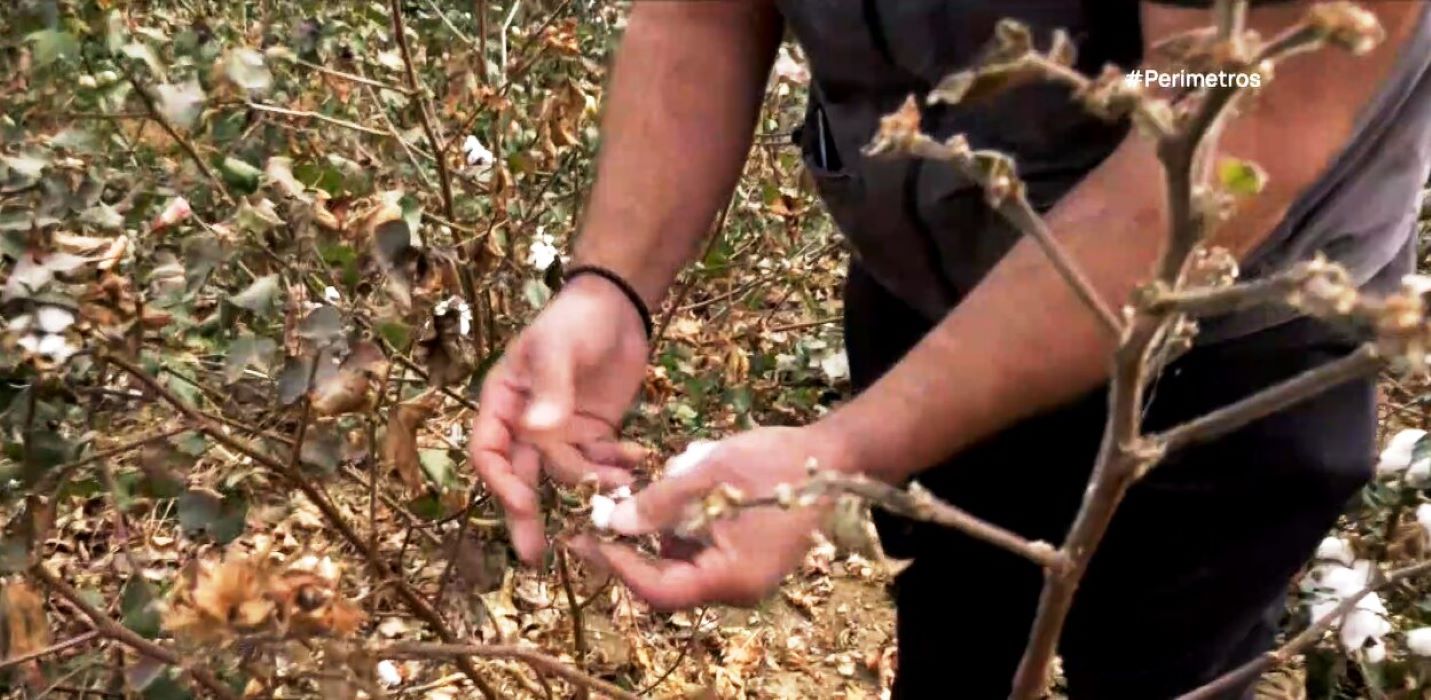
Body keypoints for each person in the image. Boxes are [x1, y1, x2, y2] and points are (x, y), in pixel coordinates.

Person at [469, 1, 1431, 697]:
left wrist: (842, 455)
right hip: (931, 276)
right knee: (957, 628)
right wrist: (613, 283)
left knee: (1171, 665)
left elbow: (1226, 105)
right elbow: (705, 14)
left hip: (1241, 339)